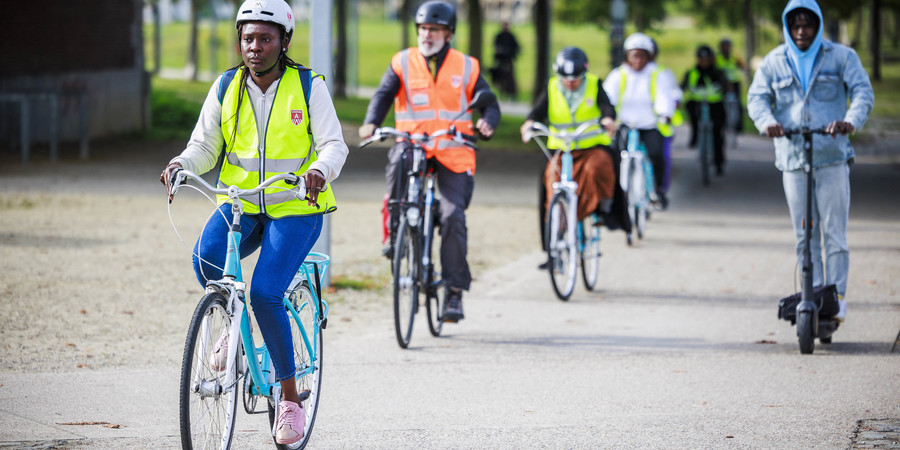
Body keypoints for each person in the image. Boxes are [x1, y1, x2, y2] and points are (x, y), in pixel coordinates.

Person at [159, 0, 349, 444]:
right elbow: (204, 145)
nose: (255, 47)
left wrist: (318, 172)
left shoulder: (308, 86)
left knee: (265, 292)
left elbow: (334, 145)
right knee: (206, 262)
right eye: (248, 38)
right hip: (242, 204)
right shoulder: (226, 86)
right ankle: (232, 322)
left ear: (284, 41)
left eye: (265, 38)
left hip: (296, 206)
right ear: (238, 41)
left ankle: (289, 399)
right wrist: (182, 162)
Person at [358, 1, 501, 323]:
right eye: (423, 29)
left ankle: (453, 292)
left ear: (448, 34)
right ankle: (396, 238)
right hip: (412, 144)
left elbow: (489, 103)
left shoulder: (467, 66)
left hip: (454, 149)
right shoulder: (402, 62)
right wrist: (371, 122)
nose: (427, 35)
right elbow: (383, 94)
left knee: (452, 216)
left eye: (434, 30)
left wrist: (488, 122)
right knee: (397, 168)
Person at [747, 0, 874, 322]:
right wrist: (767, 123)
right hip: (792, 158)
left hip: (831, 157)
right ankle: (813, 294)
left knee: (834, 233)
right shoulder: (774, 61)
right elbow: (757, 98)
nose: (801, 31)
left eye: (807, 24)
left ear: (817, 26)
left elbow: (862, 92)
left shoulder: (842, 56)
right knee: (805, 234)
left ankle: (837, 297)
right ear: (788, 27)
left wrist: (850, 121)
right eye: (795, 25)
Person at [519, 47, 620, 258]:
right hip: (561, 149)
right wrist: (529, 123)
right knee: (551, 180)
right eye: (566, 78)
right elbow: (538, 111)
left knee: (598, 167)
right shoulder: (552, 86)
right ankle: (555, 239)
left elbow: (606, 106)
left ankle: (602, 208)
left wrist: (608, 118)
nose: (571, 82)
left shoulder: (593, 83)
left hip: (590, 146)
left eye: (576, 78)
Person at [603, 32, 679, 209]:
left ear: (648, 57)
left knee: (657, 155)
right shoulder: (618, 75)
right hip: (625, 124)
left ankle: (657, 191)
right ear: (627, 56)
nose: (638, 60)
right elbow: (607, 98)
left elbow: (663, 96)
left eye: (642, 56)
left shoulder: (656, 74)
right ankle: (614, 194)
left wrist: (665, 112)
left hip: (649, 124)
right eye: (634, 55)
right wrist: (607, 116)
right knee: (612, 156)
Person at [682, 44, 729, 175]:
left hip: (715, 104)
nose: (704, 62)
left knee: (717, 133)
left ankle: (718, 163)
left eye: (707, 59)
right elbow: (683, 87)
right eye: (702, 59)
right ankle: (695, 133)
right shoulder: (691, 72)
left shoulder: (718, 73)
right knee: (690, 108)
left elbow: (725, 87)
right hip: (696, 103)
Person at [649, 37, 684, 201]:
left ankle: (660, 191)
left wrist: (672, 106)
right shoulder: (623, 73)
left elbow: (675, 93)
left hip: (659, 124)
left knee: (661, 157)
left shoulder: (663, 72)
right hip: (634, 124)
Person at [717, 38, 747, 133]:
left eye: (728, 46)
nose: (726, 48)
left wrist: (743, 72)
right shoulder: (717, 58)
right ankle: (723, 124)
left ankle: (738, 127)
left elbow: (743, 67)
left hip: (734, 82)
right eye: (724, 46)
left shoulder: (734, 57)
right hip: (722, 84)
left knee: (737, 103)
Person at [492, 21, 520, 99]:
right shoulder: (499, 36)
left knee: (510, 77)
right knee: (500, 76)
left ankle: (512, 94)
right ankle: (502, 91)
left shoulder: (511, 36)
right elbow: (496, 47)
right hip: (501, 60)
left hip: (509, 59)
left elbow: (516, 47)